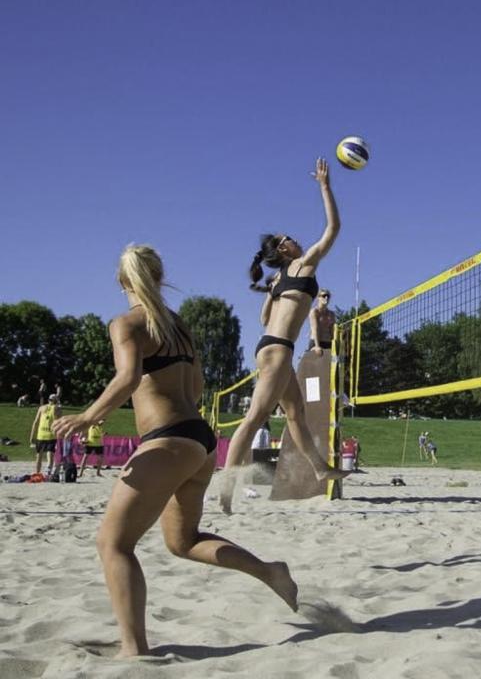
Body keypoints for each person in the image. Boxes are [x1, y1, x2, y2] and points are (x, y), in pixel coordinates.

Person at [51, 245, 298, 658]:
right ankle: (269, 571)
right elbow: (197, 387)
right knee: (182, 541)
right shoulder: (178, 325)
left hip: (167, 439)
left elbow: (128, 377)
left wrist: (88, 416)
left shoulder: (127, 324)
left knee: (113, 544)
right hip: (199, 439)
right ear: (160, 276)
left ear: (122, 281)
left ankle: (133, 647)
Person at [220, 158, 348, 513]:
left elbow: (264, 319)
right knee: (253, 419)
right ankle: (227, 486)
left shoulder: (276, 281)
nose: (293, 238)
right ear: (283, 250)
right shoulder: (303, 264)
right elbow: (333, 228)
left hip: (271, 348)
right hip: (278, 351)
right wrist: (324, 186)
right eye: (287, 239)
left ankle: (322, 471)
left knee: (296, 417)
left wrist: (276, 296)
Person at [29, 394, 60, 475]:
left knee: (39, 455)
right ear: (56, 401)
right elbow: (58, 422)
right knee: (50, 453)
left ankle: (37, 473)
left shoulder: (41, 408)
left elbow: (35, 422)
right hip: (51, 434)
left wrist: (32, 436)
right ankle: (48, 471)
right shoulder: (56, 408)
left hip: (41, 434)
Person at [308, 287, 336, 355]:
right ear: (318, 297)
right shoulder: (314, 312)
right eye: (324, 296)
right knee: (315, 364)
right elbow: (315, 329)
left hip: (328, 342)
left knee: (334, 362)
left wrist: (335, 345)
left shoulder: (331, 314)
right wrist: (317, 346)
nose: (326, 298)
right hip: (316, 342)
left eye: (328, 296)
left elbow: (332, 331)